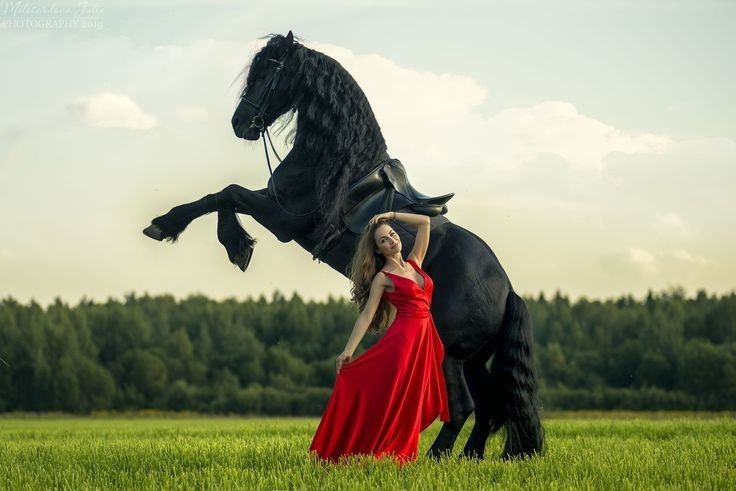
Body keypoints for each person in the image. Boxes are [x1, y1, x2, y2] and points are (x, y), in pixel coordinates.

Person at [309, 211, 450, 466]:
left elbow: (425, 222)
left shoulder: (414, 262)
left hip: (425, 338)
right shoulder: (383, 278)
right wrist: (348, 350)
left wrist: (391, 215)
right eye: (384, 240)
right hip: (404, 343)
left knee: (414, 397)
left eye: (393, 234)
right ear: (378, 249)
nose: (392, 240)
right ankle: (384, 450)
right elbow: (366, 316)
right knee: (395, 398)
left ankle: (403, 451)